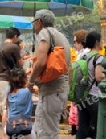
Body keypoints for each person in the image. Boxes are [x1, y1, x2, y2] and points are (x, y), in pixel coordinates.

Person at [28, 9, 71, 139]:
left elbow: (40, 62)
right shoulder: (62, 36)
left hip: (51, 90)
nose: (34, 26)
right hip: (60, 90)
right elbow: (70, 67)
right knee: (50, 129)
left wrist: (30, 82)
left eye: (34, 22)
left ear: (39, 22)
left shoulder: (44, 33)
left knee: (45, 131)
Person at [0, 27, 23, 139]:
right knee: (6, 108)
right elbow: (21, 63)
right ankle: (5, 135)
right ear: (15, 36)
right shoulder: (14, 47)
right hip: (6, 79)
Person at [76, 31, 105, 139]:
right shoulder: (98, 57)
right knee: (99, 126)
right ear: (97, 42)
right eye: (101, 40)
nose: (103, 42)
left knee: (82, 128)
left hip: (81, 96)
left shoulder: (83, 56)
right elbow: (98, 76)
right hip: (93, 96)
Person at [5, 68, 34, 139]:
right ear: (24, 80)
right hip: (25, 126)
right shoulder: (27, 91)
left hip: (10, 126)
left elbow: (6, 108)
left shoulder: (8, 90)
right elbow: (35, 87)